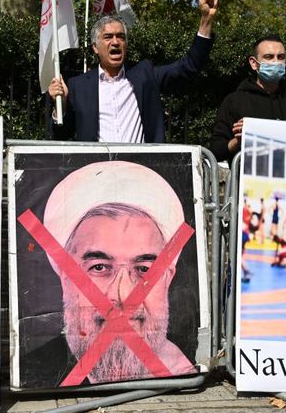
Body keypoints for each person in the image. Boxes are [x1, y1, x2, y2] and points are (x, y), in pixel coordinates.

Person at [22, 161, 196, 386]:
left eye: (144, 270)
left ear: (167, 277)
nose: (122, 295)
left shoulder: (187, 372)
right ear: (66, 277)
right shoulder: (35, 375)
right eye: (99, 267)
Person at [47, 0, 218, 143]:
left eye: (120, 37)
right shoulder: (78, 86)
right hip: (97, 173)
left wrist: (206, 21)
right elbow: (61, 136)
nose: (115, 42)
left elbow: (189, 66)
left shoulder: (145, 74)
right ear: (95, 47)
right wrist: (59, 106)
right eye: (108, 37)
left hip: (140, 172)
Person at [209, 34, 286, 162]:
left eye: (281, 57)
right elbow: (216, 151)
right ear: (254, 63)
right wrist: (239, 141)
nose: (276, 62)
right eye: (269, 57)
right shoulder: (234, 102)